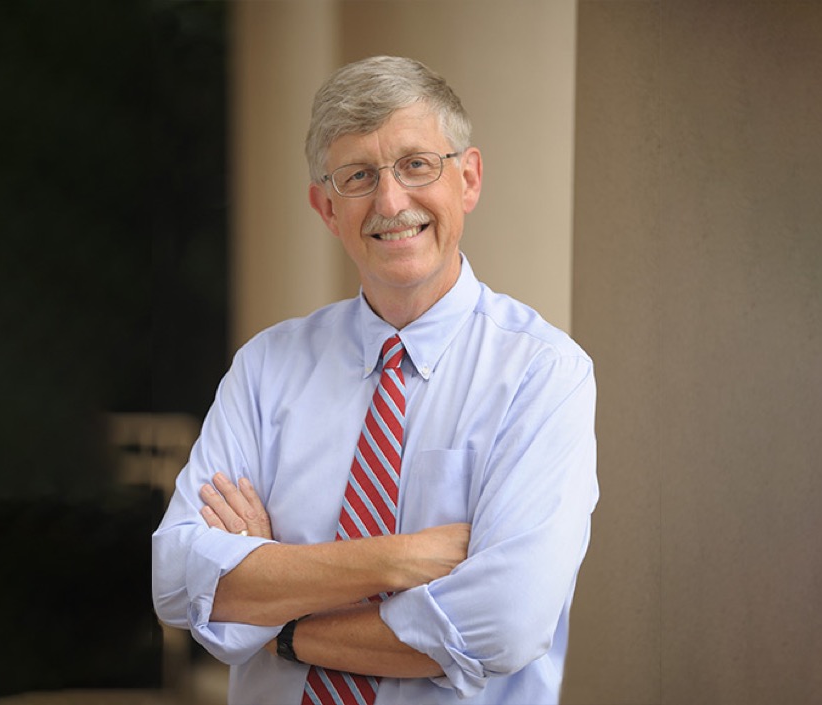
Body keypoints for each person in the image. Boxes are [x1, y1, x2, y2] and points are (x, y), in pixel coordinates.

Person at [152, 55, 598, 705]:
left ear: (468, 179)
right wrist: (399, 559)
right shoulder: (265, 368)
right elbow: (176, 577)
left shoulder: (543, 373)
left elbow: (503, 621)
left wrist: (277, 611)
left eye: (417, 164)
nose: (391, 201)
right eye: (358, 176)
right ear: (326, 208)